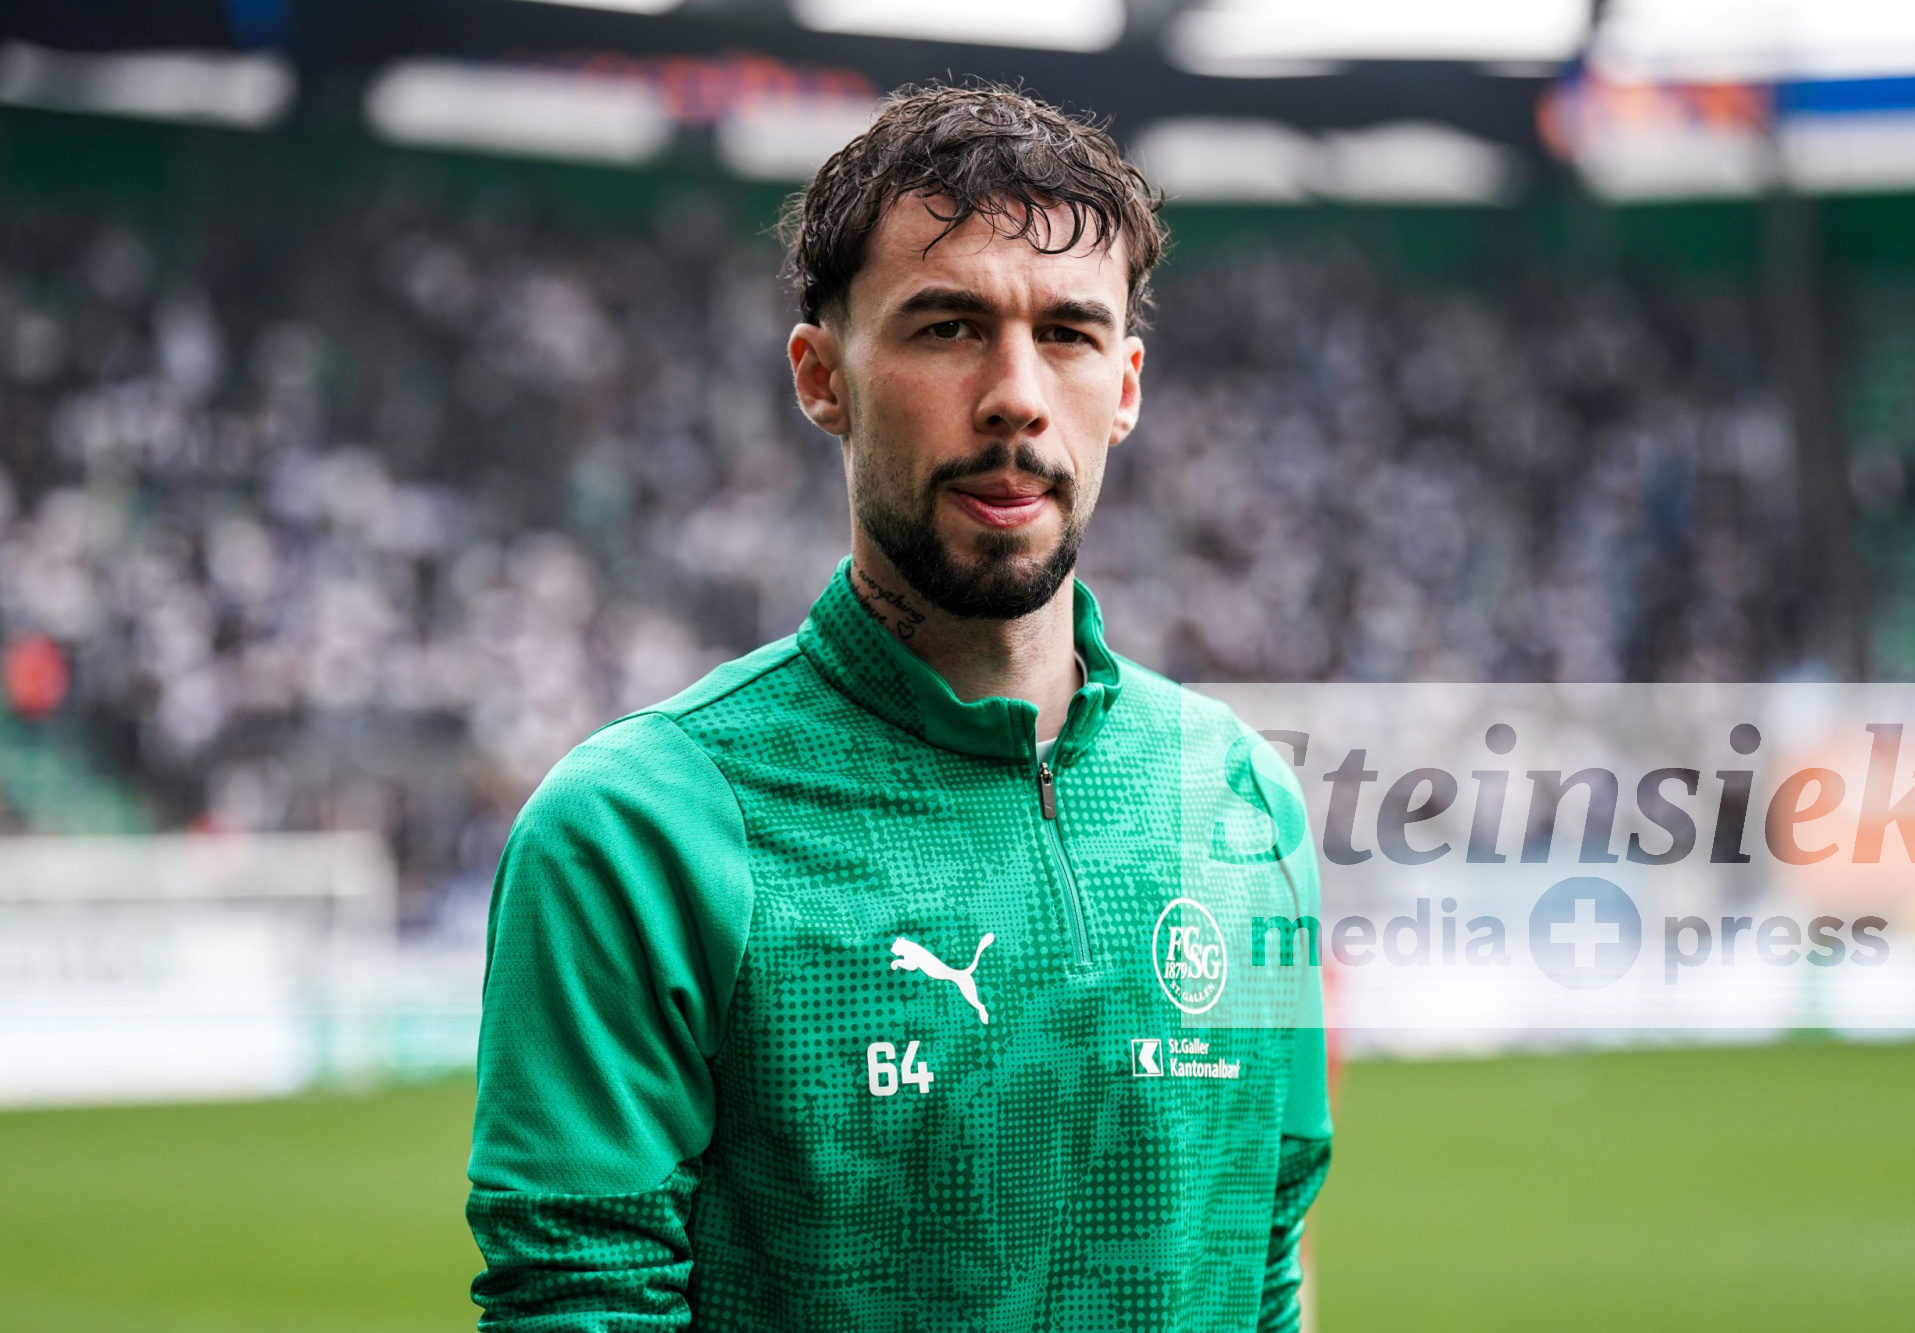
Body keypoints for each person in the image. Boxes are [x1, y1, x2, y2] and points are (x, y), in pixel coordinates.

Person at [466, 82, 1332, 1330]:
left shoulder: (1244, 800)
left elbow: (1262, 1261)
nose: (1015, 393)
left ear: (1125, 388)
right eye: (947, 326)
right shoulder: (636, 833)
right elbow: (576, 1299)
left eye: (1068, 334)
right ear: (822, 377)